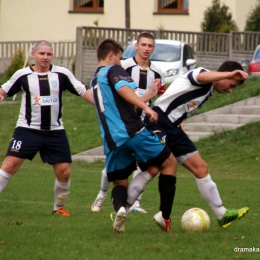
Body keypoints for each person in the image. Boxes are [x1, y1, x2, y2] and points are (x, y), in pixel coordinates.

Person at [143, 60, 249, 229]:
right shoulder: (202, 73)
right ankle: (123, 208)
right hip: (159, 121)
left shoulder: (209, 90)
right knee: (152, 169)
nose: (230, 90)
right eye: (231, 85)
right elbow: (201, 76)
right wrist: (230, 74)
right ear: (224, 74)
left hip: (174, 128)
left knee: (201, 168)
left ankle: (222, 215)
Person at [90, 38, 177, 232]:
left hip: (112, 141)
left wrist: (150, 94)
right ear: (111, 55)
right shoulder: (114, 69)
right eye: (119, 58)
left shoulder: (94, 79)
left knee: (120, 181)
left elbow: (123, 100)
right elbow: (124, 90)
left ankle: (121, 209)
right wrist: (147, 107)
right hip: (133, 131)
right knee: (169, 163)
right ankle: (165, 216)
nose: (121, 62)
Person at [0, 40, 93, 216]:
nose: (45, 57)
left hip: (55, 132)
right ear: (33, 55)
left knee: (64, 172)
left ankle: (58, 208)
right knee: (10, 164)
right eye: (42, 54)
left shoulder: (62, 74)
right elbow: (4, 90)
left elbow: (82, 90)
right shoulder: (22, 75)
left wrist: (103, 106)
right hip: (27, 130)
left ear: (52, 55)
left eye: (49, 54)